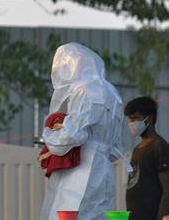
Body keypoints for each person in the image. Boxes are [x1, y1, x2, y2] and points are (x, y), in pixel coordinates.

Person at [39, 42, 130, 220]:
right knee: (98, 213)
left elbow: (74, 134)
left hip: (82, 166)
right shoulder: (113, 94)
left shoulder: (85, 90)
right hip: (104, 168)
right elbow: (116, 146)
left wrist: (50, 135)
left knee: (69, 211)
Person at [124, 96, 169, 220]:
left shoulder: (159, 147)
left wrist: (163, 216)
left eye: (135, 118)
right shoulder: (137, 149)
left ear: (149, 119)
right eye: (130, 119)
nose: (132, 123)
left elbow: (168, 189)